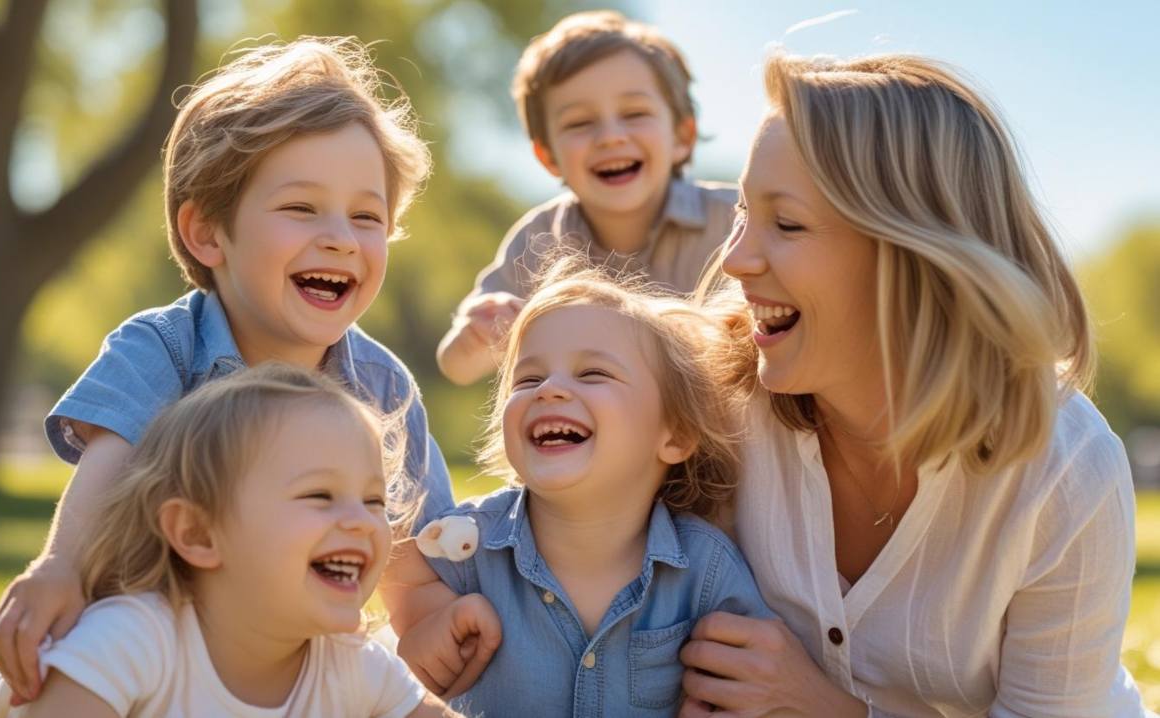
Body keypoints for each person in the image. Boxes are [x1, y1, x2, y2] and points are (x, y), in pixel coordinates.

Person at [0, 35, 455, 704]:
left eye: (367, 216)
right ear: (208, 233)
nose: (341, 238)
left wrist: (431, 613)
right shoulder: (164, 348)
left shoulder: (380, 385)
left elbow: (409, 538)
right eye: (300, 208)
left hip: (291, 654)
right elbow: (109, 460)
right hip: (158, 648)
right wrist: (60, 567)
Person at [678, 53, 1150, 717]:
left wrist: (824, 708)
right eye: (743, 213)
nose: (735, 258)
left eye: (785, 224)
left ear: (912, 256)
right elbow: (572, 533)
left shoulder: (1065, 472)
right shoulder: (715, 402)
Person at [0, 364, 460, 717]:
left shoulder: (349, 663)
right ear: (198, 534)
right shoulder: (134, 639)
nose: (362, 521)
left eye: (372, 501)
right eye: (319, 495)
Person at [395, 260, 775, 716]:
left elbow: (752, 679)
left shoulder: (705, 570)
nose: (549, 389)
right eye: (528, 379)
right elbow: (397, 556)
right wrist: (420, 617)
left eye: (593, 373)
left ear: (674, 435)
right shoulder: (469, 543)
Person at [435, 10, 739, 386]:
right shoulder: (539, 241)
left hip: (731, 435)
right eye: (579, 123)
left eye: (634, 113)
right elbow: (456, 366)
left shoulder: (736, 221)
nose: (610, 136)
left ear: (681, 136)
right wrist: (478, 336)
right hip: (602, 437)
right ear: (547, 156)